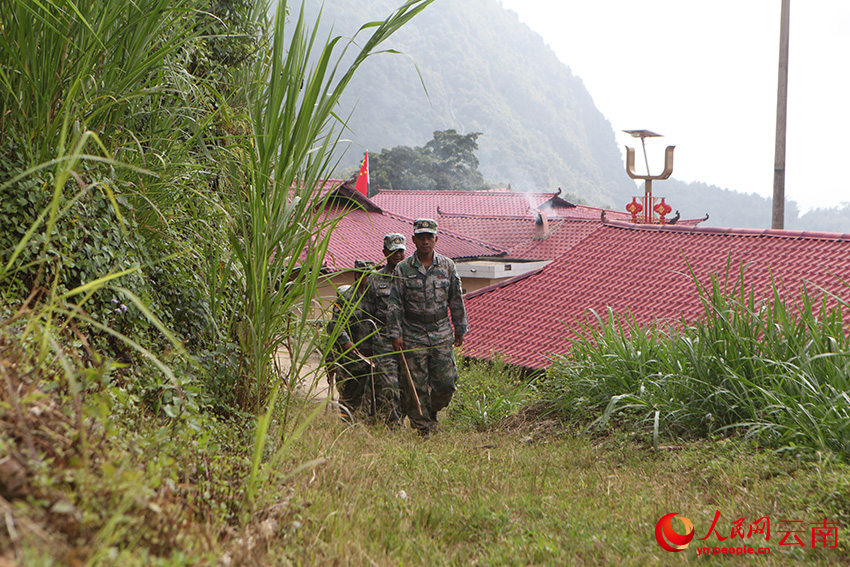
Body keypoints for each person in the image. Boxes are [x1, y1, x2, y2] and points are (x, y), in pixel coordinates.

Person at [387, 219, 468, 437]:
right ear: (413, 240)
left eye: (429, 237)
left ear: (436, 239)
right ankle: (424, 428)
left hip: (441, 332)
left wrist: (460, 328)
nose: (425, 241)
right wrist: (396, 334)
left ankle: (431, 411)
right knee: (417, 385)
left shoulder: (447, 266)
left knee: (446, 384)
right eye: (420, 237)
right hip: (412, 333)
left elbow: (456, 299)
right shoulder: (403, 269)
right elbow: (395, 303)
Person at [359, 233, 407, 426]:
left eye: (400, 251)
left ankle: (402, 417)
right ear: (385, 252)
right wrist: (366, 345)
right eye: (393, 251)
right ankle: (394, 425)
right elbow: (366, 315)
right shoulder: (374, 280)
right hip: (383, 340)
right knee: (389, 383)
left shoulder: (412, 277)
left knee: (407, 384)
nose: (397, 255)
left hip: (410, 339)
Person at [326, 259, 376, 418]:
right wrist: (346, 342)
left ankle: (369, 422)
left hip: (373, 352)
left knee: (372, 392)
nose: (367, 278)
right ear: (356, 276)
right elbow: (336, 323)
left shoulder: (376, 296)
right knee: (350, 392)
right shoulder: (346, 296)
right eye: (363, 275)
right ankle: (347, 422)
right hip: (352, 353)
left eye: (370, 275)